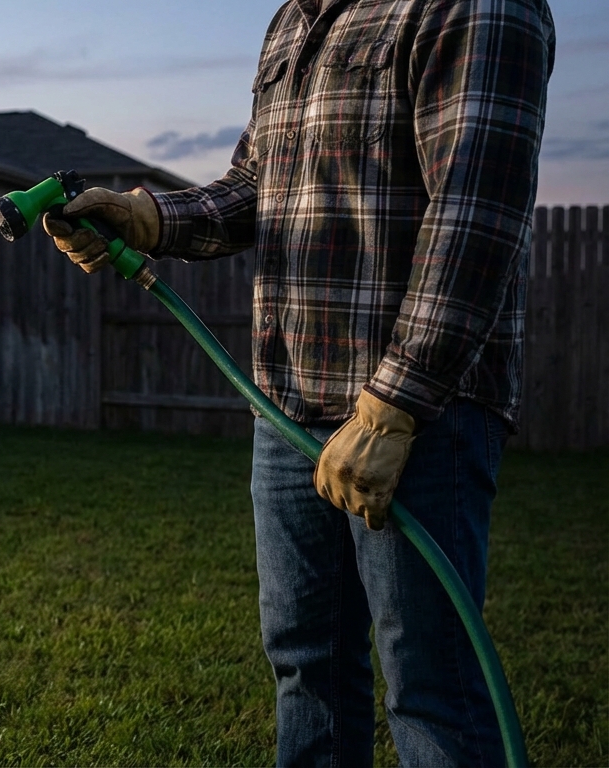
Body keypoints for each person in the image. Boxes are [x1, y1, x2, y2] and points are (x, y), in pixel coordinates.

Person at [42, 0, 555, 765]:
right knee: (304, 668)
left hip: (418, 418)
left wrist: (393, 409)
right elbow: (257, 186)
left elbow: (476, 214)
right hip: (287, 410)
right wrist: (144, 216)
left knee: (431, 690)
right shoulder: (295, 21)